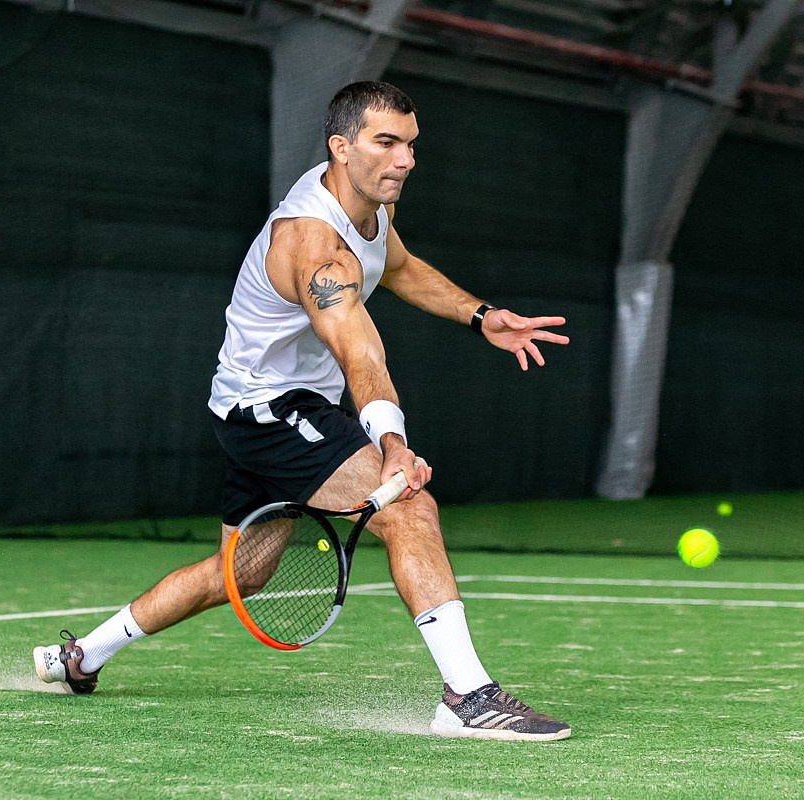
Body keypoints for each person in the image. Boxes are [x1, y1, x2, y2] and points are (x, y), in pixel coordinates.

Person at [34, 81, 571, 741]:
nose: (404, 159)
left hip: (247, 410)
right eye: (386, 143)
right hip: (273, 409)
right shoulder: (315, 244)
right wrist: (393, 445)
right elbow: (357, 352)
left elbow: (399, 269)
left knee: (242, 574)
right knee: (408, 509)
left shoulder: (370, 209)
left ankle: (81, 657)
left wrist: (480, 315)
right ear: (340, 146)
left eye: (409, 144)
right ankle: (468, 697)